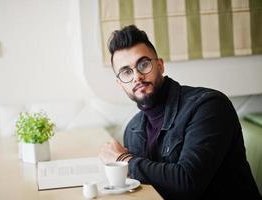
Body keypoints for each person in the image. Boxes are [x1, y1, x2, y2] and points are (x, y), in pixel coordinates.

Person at [98, 25, 261, 200]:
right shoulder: (133, 129)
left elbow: (188, 182)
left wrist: (123, 159)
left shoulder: (209, 106)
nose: (137, 76)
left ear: (160, 65)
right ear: (120, 84)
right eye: (126, 72)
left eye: (143, 64)